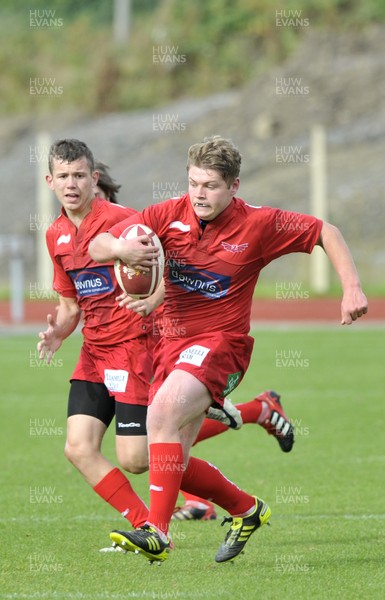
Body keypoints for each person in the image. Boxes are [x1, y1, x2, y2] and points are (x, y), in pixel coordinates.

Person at [89, 135, 368, 564]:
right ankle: (246, 509)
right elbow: (98, 245)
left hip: (223, 346)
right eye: (193, 183)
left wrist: (351, 287)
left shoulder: (259, 223)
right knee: (163, 457)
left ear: (234, 186)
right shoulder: (165, 215)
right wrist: (122, 248)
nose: (199, 194)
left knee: (161, 415)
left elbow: (326, 232)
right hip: (170, 347)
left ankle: (157, 534)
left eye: (211, 186)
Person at [37, 139, 294, 537]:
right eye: (65, 177)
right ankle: (148, 529)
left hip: (137, 348)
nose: (72, 184)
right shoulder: (55, 235)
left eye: (80, 176)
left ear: (94, 178)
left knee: (141, 456)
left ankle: (249, 416)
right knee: (79, 448)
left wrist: (153, 292)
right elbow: (70, 306)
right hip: (94, 352)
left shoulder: (128, 220)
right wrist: (57, 333)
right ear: (50, 181)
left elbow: (172, 266)